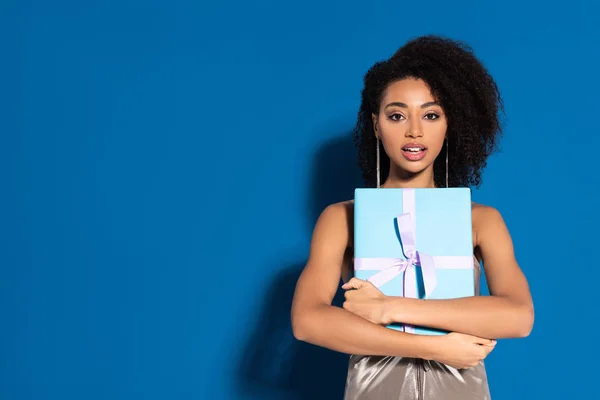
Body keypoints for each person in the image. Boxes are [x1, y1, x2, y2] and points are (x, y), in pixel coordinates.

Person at [290, 35, 534, 400]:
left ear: (450, 124)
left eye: (431, 115)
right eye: (397, 115)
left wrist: (390, 307)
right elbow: (307, 321)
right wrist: (433, 348)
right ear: (376, 125)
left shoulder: (482, 220)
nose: (415, 131)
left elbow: (518, 316)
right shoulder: (341, 218)